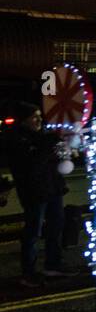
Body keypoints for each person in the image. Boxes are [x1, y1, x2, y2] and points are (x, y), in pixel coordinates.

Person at [3, 103, 68, 287]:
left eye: (40, 116)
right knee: (33, 231)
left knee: (56, 226)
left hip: (52, 189)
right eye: (34, 117)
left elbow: (51, 163)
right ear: (24, 121)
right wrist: (49, 146)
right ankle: (28, 272)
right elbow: (32, 166)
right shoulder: (18, 140)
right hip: (34, 193)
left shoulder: (42, 138)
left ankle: (53, 265)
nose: (39, 120)